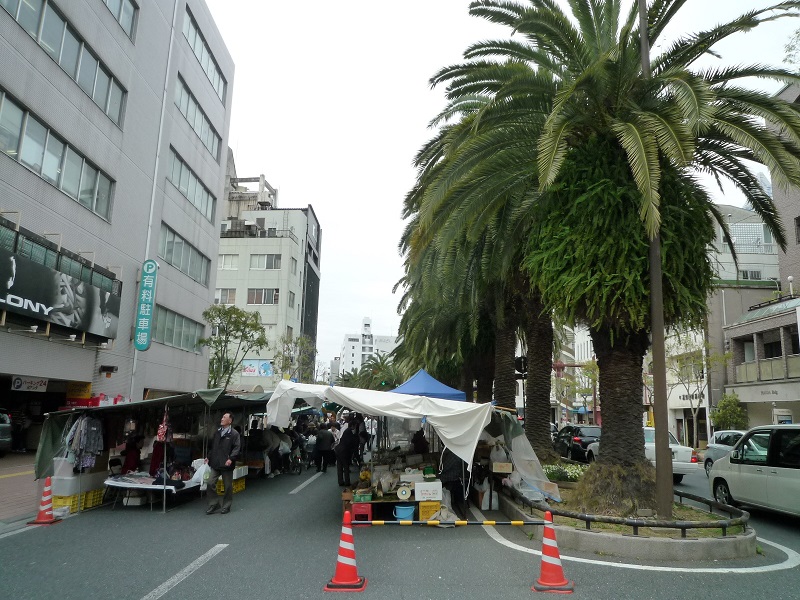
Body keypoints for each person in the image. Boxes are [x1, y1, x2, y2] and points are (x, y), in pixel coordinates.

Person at [205, 412, 241, 515]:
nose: (221, 419)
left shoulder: (234, 434)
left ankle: (226, 506)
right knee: (210, 482)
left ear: (230, 421)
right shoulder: (217, 432)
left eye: (224, 417)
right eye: (222, 417)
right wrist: (208, 457)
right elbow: (213, 447)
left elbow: (237, 448)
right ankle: (214, 503)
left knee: (228, 486)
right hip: (215, 462)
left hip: (227, 464)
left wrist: (231, 458)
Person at [438, 447, 468, 519]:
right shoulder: (458, 452)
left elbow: (444, 467)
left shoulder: (453, 455)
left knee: (437, 480)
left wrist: (438, 470)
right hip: (457, 474)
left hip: (452, 476)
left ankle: (442, 503)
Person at [335, 417, 358, 487]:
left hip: (338, 449)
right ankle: (347, 482)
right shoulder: (350, 432)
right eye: (355, 426)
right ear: (353, 425)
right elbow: (350, 443)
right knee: (346, 466)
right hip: (344, 451)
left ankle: (340, 481)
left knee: (339, 466)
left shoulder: (346, 431)